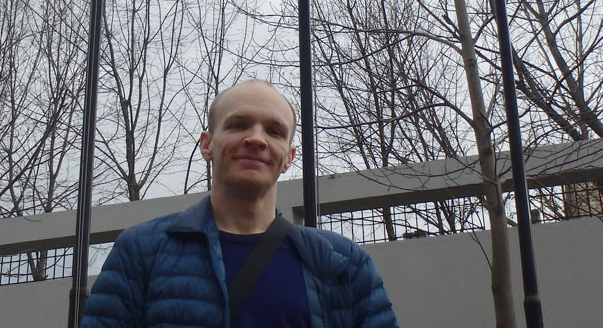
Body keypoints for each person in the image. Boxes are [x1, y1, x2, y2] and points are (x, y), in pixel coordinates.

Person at [81, 80, 399, 327]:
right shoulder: (141, 250)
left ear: (289, 157)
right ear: (207, 144)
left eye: (274, 131)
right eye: (238, 125)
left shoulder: (344, 263)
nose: (257, 139)